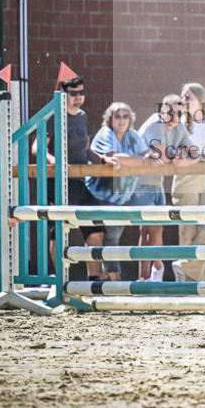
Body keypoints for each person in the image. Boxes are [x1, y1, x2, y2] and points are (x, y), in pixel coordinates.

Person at [30, 76, 117, 281]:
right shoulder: (53, 116)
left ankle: (93, 279)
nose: (78, 97)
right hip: (57, 183)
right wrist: (53, 161)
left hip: (79, 182)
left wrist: (103, 160)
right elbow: (36, 148)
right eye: (73, 93)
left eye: (81, 93)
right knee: (58, 230)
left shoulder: (83, 116)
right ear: (63, 95)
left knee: (96, 228)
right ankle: (60, 279)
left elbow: (86, 149)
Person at [87, 102, 149, 282]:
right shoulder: (105, 133)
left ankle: (107, 281)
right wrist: (139, 161)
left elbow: (148, 156)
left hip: (121, 197)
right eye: (117, 116)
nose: (122, 120)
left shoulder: (132, 135)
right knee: (108, 238)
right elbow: (113, 157)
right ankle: (113, 282)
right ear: (110, 119)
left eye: (125, 116)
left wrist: (134, 161)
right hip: (100, 194)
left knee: (111, 239)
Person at [170, 82, 205, 283]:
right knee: (188, 233)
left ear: (201, 100)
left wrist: (196, 157)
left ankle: (185, 266)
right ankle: (192, 287)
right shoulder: (175, 122)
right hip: (185, 180)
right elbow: (175, 155)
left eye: (188, 97)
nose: (184, 101)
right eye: (182, 97)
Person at [135, 94, 190, 282]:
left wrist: (186, 158)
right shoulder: (155, 124)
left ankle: (143, 279)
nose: (175, 117)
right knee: (155, 229)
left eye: (179, 114)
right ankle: (159, 269)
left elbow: (194, 153)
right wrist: (178, 156)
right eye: (171, 112)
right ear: (162, 111)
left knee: (147, 231)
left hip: (156, 182)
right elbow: (163, 155)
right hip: (138, 183)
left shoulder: (179, 126)